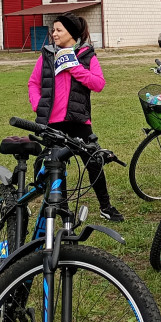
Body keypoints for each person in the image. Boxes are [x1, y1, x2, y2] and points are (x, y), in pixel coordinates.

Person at [27, 14, 123, 222]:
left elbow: (98, 84)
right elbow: (33, 83)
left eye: (58, 30)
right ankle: (64, 213)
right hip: (52, 124)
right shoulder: (47, 55)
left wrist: (75, 69)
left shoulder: (86, 56)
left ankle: (106, 207)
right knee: (55, 169)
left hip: (79, 121)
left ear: (71, 34)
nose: (54, 34)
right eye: (53, 30)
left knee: (94, 162)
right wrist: (38, 104)